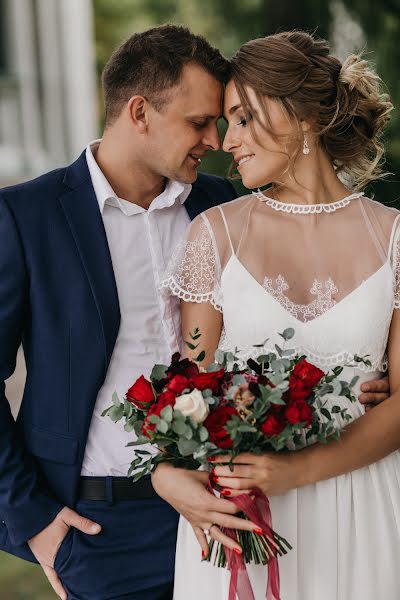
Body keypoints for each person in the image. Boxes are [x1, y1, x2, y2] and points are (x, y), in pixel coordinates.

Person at [0, 24, 260, 600]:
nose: (214, 140)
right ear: (139, 111)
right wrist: (36, 521)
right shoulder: (26, 216)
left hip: (227, 512)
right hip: (100, 529)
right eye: (198, 122)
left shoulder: (227, 208)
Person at [156, 31, 400, 599]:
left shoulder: (393, 238)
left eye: (242, 119)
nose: (227, 141)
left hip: (365, 497)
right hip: (242, 510)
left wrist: (299, 470)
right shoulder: (213, 236)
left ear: (303, 115)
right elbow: (191, 391)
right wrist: (170, 470)